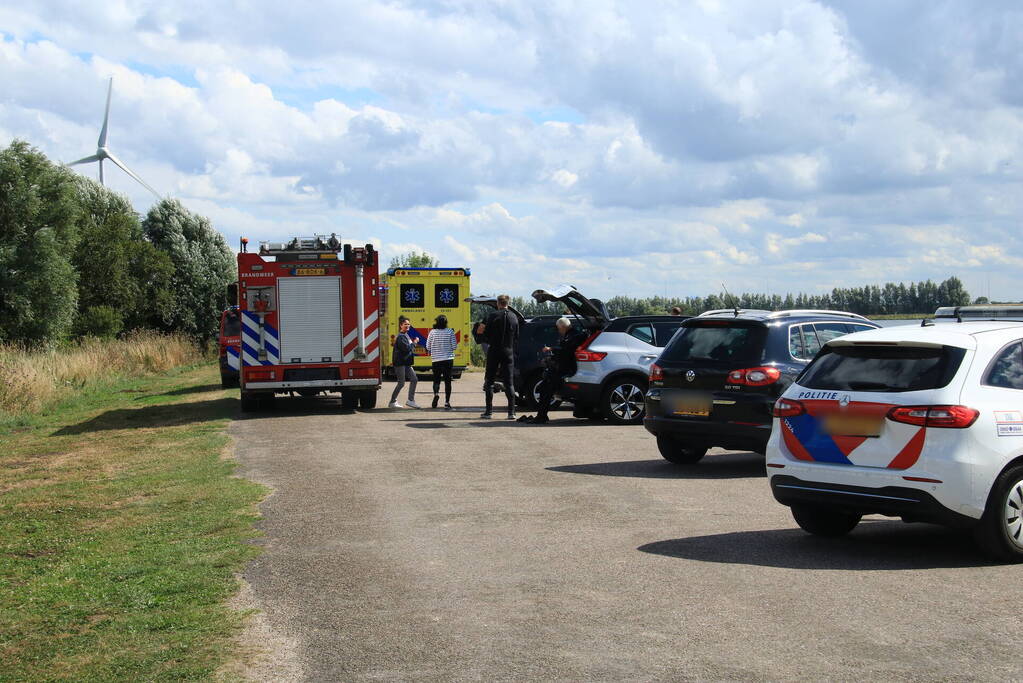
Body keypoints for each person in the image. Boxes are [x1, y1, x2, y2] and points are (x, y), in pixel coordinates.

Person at [522, 317, 586, 424]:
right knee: (544, 387)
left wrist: (551, 349)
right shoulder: (571, 335)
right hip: (561, 368)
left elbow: (566, 350)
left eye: (559, 328)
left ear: (563, 327)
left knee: (546, 388)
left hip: (567, 370)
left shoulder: (575, 336)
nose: (559, 331)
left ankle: (541, 416)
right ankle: (541, 415)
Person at [477, 294, 519, 419]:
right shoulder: (514, 317)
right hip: (508, 351)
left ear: (498, 303)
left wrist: (485, 336)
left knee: (489, 381)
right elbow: (517, 336)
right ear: (508, 303)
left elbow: (485, 334)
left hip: (494, 350)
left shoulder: (492, 316)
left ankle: (488, 412)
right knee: (509, 383)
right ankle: (511, 412)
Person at [426, 314, 457, 410]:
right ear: (446, 322)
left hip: (436, 360)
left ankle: (436, 394)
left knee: (436, 380)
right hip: (448, 360)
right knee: (448, 381)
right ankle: (447, 402)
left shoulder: (432, 332)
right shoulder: (450, 332)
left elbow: (428, 347)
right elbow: (454, 346)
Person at [388, 319, 420, 409]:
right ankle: (392, 402)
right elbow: (406, 348)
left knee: (414, 379)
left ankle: (410, 400)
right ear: (401, 325)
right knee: (401, 383)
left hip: (406, 363)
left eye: (408, 324)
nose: (407, 326)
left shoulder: (406, 335)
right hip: (400, 363)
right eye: (405, 324)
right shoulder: (401, 336)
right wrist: (415, 342)